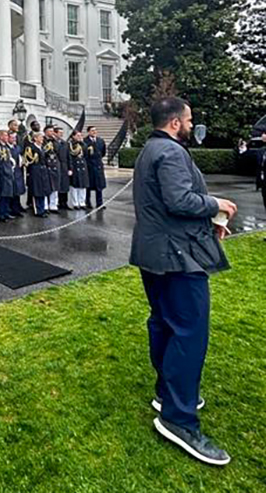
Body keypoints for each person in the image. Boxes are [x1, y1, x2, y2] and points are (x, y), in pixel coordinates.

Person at [130, 97, 238, 466]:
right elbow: (179, 200)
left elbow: (164, 203)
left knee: (164, 323)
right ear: (175, 123)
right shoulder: (171, 153)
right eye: (190, 119)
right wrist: (216, 204)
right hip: (176, 257)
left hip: (157, 253)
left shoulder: (150, 149)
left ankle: (168, 392)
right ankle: (178, 418)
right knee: (189, 331)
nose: (193, 124)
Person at [24, 131, 51, 217]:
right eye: (40, 137)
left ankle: (42, 209)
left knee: (42, 190)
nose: (42, 139)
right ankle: (38, 210)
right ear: (35, 138)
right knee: (37, 191)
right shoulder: (31, 148)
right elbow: (29, 159)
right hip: (35, 170)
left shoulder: (42, 148)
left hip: (42, 170)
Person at [84, 125, 107, 209]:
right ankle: (88, 202)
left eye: (95, 130)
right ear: (89, 132)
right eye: (92, 130)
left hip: (98, 165)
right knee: (89, 186)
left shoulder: (100, 141)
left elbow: (103, 152)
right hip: (89, 165)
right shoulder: (85, 141)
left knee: (99, 186)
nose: (94, 132)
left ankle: (99, 203)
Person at [0, 130, 15, 222]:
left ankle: (7, 212)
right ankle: (1, 214)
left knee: (8, 194)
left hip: (8, 173)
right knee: (3, 196)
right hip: (2, 174)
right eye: (5, 135)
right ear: (0, 137)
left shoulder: (6, 147)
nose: (7, 137)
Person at [67, 130, 89, 209]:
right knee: (74, 186)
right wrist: (70, 168)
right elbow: (69, 156)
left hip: (82, 165)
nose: (80, 137)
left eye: (80, 135)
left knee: (83, 186)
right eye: (78, 136)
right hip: (75, 166)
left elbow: (86, 155)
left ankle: (82, 202)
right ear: (73, 136)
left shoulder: (83, 145)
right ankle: (75, 203)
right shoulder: (70, 145)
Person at [8, 131, 26, 216]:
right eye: (12, 137)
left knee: (17, 191)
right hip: (11, 172)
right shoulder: (7, 148)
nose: (14, 139)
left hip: (18, 171)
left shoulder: (17, 147)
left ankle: (17, 209)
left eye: (15, 138)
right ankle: (11, 210)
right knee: (11, 192)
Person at [43, 126, 60, 213]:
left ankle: (53, 205)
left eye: (53, 131)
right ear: (45, 132)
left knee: (55, 187)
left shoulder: (54, 141)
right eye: (50, 131)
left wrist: (55, 141)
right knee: (46, 187)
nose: (52, 133)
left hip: (54, 165)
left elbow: (58, 150)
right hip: (47, 164)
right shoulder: (43, 140)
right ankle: (45, 205)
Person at [53, 126, 71, 209]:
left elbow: (68, 157)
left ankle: (64, 202)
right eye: (60, 133)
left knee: (65, 185)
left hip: (64, 166)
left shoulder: (65, 143)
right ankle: (58, 202)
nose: (61, 134)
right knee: (58, 185)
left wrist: (70, 168)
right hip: (57, 165)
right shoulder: (52, 143)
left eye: (62, 133)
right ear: (55, 133)